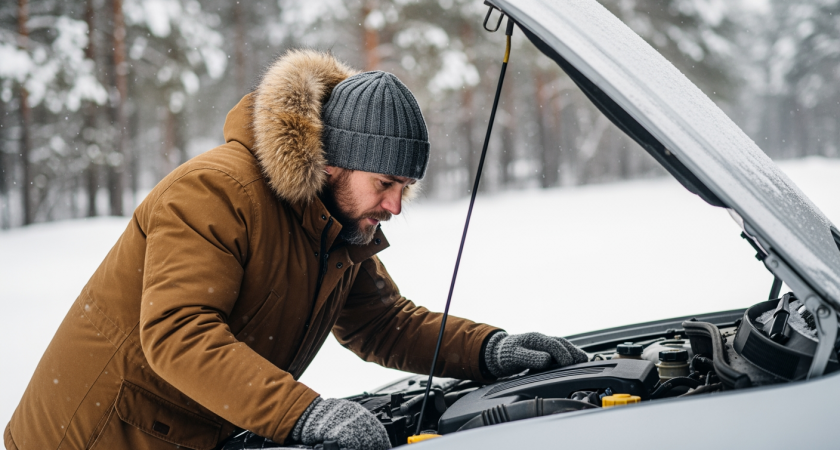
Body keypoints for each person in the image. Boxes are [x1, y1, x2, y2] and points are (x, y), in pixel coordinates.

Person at [4, 49, 587, 450]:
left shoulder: (329, 221)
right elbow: (178, 334)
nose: (395, 207)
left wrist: (491, 350)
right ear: (333, 163)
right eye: (384, 185)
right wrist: (304, 413)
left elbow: (380, 322)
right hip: (98, 437)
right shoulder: (215, 191)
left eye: (404, 189)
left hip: (184, 433)